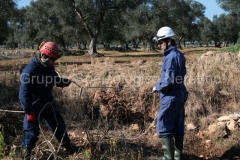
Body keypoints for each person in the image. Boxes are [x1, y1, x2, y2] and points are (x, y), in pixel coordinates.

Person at [19, 42, 81, 159]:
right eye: (52, 60)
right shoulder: (30, 71)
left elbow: (53, 78)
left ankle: (67, 146)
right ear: (44, 57)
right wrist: (29, 111)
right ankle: (25, 154)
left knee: (58, 124)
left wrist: (62, 82)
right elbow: (23, 94)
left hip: (48, 102)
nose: (54, 62)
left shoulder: (48, 66)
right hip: (34, 105)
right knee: (31, 132)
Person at [152, 27, 188, 160]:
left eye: (161, 42)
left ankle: (168, 158)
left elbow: (168, 81)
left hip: (170, 95)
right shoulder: (179, 54)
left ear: (169, 41)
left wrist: (157, 87)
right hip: (180, 93)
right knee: (178, 124)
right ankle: (178, 157)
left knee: (164, 124)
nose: (159, 45)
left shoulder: (170, 57)